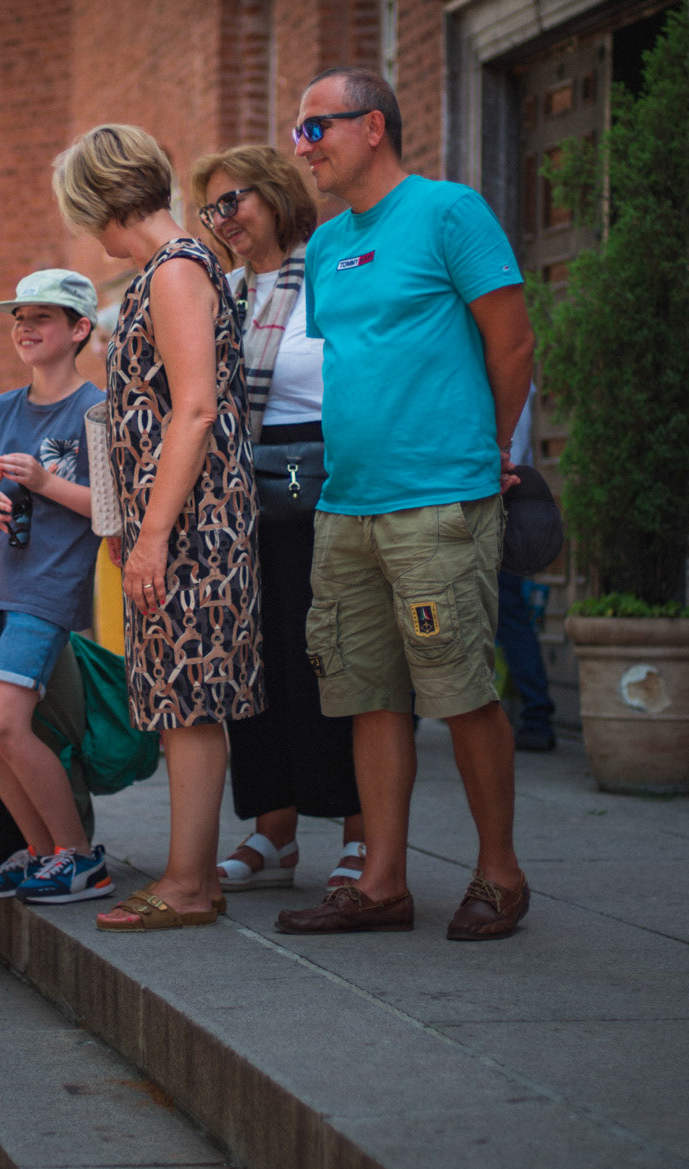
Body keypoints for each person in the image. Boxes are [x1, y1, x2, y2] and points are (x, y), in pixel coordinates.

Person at [275, 68, 536, 942]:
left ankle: (500, 874)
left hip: (438, 499)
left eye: (316, 128)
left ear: (373, 126)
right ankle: (382, 880)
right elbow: (357, 363)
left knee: (460, 691)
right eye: (299, 131)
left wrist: (489, 449)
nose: (302, 147)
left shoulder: (448, 212)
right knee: (368, 694)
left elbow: (513, 343)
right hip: (346, 505)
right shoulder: (324, 247)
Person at [51, 124, 263, 933]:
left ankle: (188, 882)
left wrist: (152, 536)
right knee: (180, 697)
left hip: (193, 522)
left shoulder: (174, 271)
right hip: (181, 518)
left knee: (191, 699)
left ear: (103, 199)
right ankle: (192, 876)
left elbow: (195, 408)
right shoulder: (169, 269)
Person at [190, 144, 366, 895]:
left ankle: (363, 830)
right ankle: (274, 830)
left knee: (335, 658)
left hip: (331, 480)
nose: (223, 218)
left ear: (276, 194)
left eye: (234, 200)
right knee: (254, 661)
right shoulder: (223, 292)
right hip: (241, 496)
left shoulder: (326, 274)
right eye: (212, 208)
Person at [0, 268, 111, 905]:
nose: (24, 327)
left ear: (79, 329)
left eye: (41, 317)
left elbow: (110, 510)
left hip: (45, 590)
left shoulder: (98, 410)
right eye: (19, 317)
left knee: (8, 724)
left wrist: (45, 484)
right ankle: (42, 852)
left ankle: (80, 857)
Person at [496, 387, 558, 751]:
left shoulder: (508, 378)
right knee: (509, 615)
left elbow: (512, 454)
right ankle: (536, 713)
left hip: (496, 504)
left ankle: (536, 714)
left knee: (508, 614)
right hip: (495, 501)